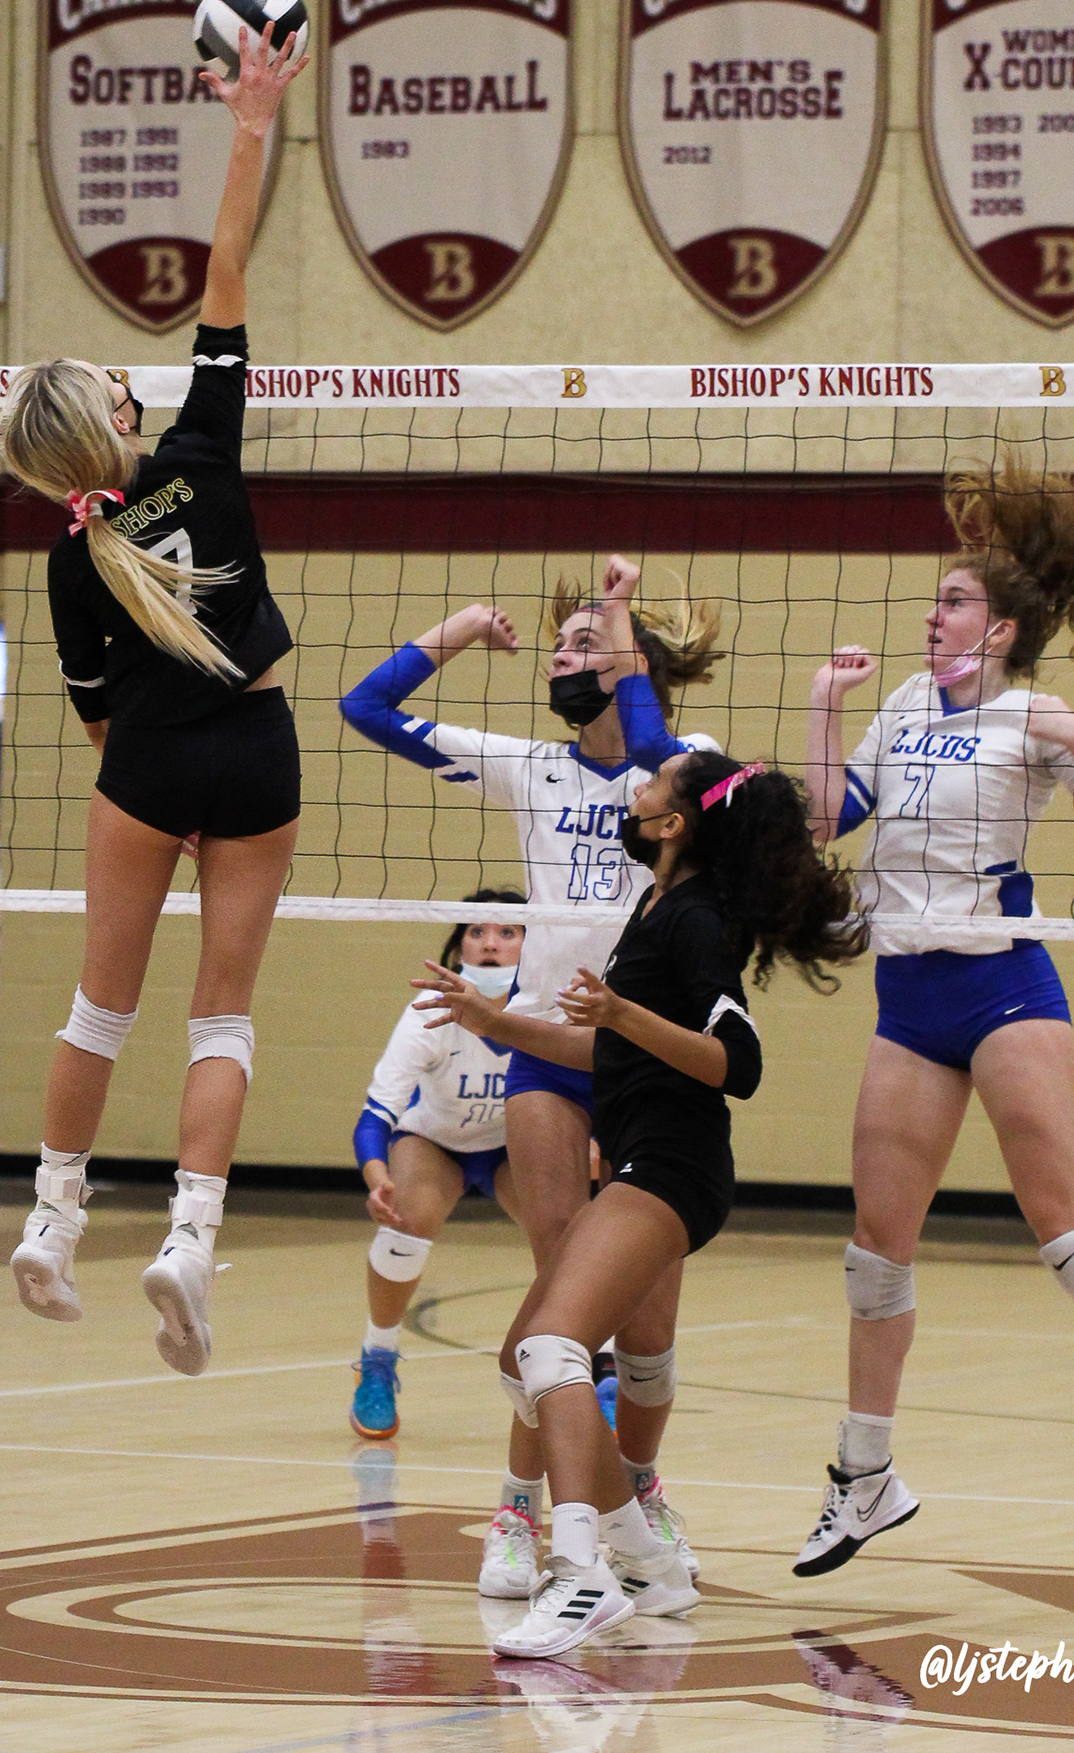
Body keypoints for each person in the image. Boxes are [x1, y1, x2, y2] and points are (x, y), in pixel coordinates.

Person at [0, 21, 308, 1376]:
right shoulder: (204, 451)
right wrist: (251, 124)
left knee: (97, 1008)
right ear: (117, 419)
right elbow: (226, 268)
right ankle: (189, 1236)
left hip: (148, 767)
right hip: (256, 753)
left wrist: (149, 780)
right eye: (120, 382)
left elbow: (98, 721)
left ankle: (54, 1222)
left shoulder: (72, 556)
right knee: (219, 1015)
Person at [420, 745, 866, 1656]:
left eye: (656, 784)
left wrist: (622, 1012)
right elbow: (614, 1051)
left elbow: (739, 1062)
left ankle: (581, 1574)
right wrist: (496, 1021)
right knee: (522, 1360)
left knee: (554, 1348)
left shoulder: (696, 919)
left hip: (673, 1164)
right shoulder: (654, 905)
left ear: (674, 824)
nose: (638, 788)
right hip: (647, 1158)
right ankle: (650, 1563)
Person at [792, 456, 1074, 1574]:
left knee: (1064, 1230)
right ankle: (865, 1474)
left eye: (952, 601)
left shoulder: (1037, 714)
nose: (932, 614)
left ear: (998, 629)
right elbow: (827, 817)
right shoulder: (904, 703)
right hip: (910, 1000)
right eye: (936, 599)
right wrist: (824, 704)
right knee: (874, 1253)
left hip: (1003, 986)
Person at [338, 574, 721, 1597]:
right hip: (547, 1056)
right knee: (562, 1303)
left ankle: (637, 1492)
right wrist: (464, 627)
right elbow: (365, 708)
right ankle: (520, 1511)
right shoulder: (530, 767)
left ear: (634, 663)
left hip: (648, 1060)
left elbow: (651, 746)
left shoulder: (684, 767)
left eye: (583, 643)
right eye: (558, 644)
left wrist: (620, 624)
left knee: (649, 1333)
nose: (561, 657)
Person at [350, 890, 525, 1439]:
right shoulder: (429, 1012)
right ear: (457, 950)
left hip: (514, 1146)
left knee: (570, 1225)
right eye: (477, 931)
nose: (491, 942)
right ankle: (378, 1358)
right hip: (434, 1141)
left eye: (507, 931)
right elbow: (375, 1116)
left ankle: (600, 1370)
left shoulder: (546, 1007)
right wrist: (377, 1179)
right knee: (410, 1216)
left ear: (534, 946)